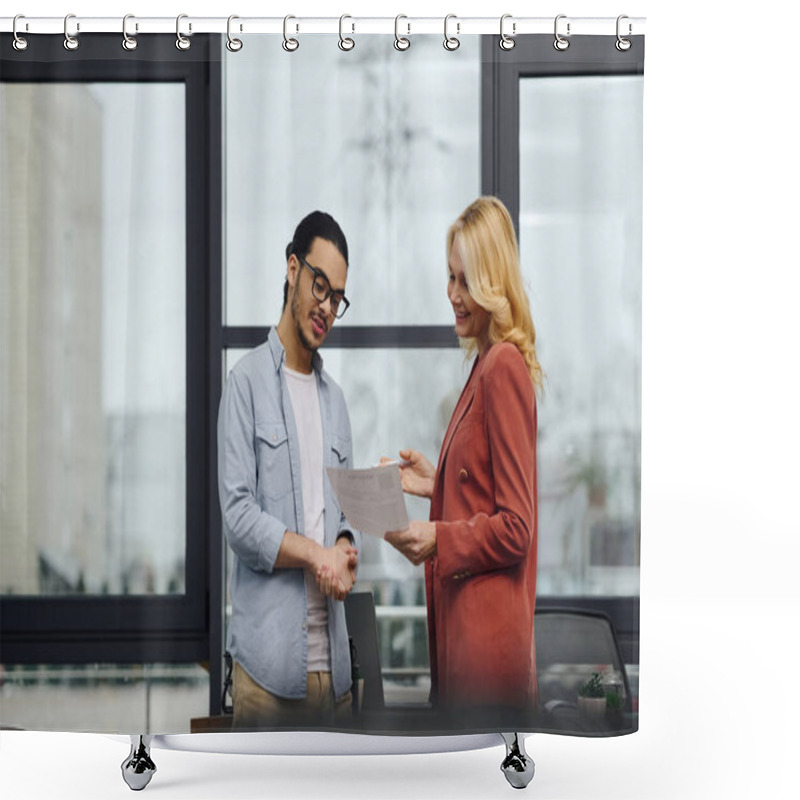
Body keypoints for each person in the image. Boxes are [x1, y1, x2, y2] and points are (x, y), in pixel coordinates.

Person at [385, 196, 542, 717]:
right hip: (462, 639)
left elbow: (517, 525)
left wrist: (438, 537)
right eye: (449, 278)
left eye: (465, 281)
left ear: (492, 283)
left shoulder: (503, 368)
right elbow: (489, 488)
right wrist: (440, 481)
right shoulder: (482, 366)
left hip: (486, 656)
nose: (452, 295)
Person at [218, 211, 361, 729]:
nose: (325, 307)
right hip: (267, 677)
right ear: (292, 269)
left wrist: (345, 548)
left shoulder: (337, 402)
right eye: (319, 285)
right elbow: (237, 516)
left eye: (337, 297)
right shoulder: (245, 384)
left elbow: (342, 516)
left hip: (337, 678)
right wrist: (314, 555)